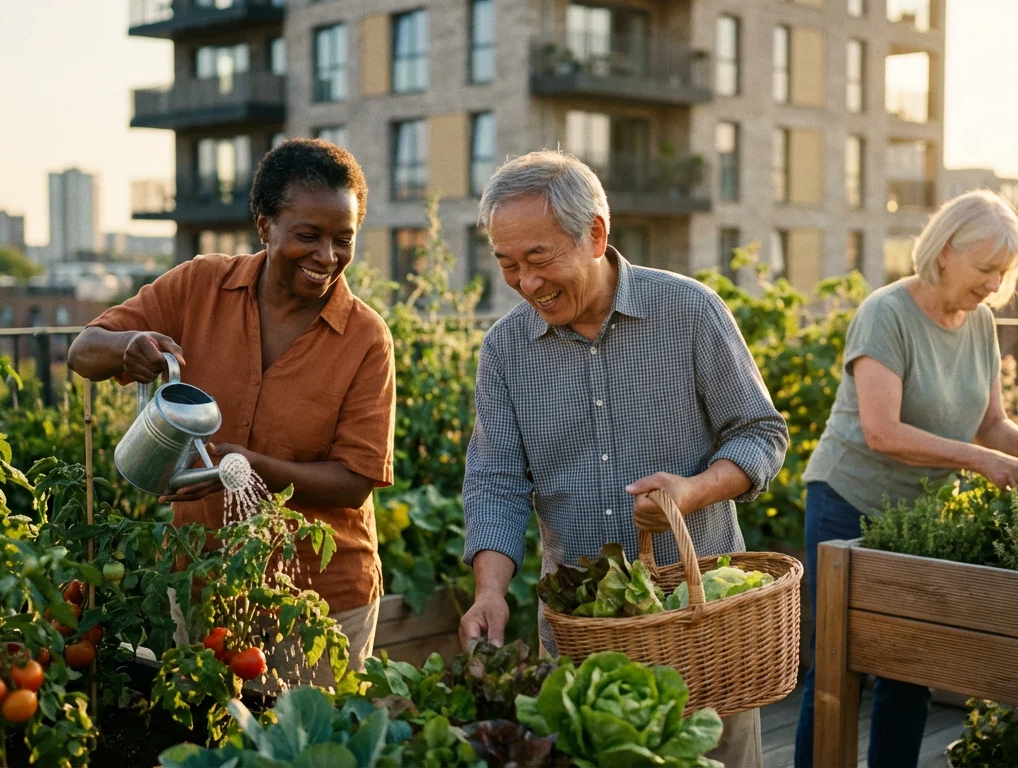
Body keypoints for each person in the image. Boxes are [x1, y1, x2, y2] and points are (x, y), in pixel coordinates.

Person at [458, 150, 789, 766]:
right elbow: (496, 483)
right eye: (507, 265)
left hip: (702, 625)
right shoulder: (504, 350)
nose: (526, 283)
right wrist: (490, 592)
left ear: (595, 235)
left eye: (539, 259)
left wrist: (693, 491)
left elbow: (761, 433)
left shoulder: (690, 311)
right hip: (585, 635)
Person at [67, 138, 395, 687]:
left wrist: (243, 467)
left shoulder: (365, 338)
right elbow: (83, 351)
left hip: (318, 603)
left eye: (344, 239)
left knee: (309, 745)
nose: (326, 257)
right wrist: (128, 347)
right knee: (212, 741)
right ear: (264, 224)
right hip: (203, 582)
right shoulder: (200, 285)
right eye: (308, 236)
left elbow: (354, 482)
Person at [792, 190, 1018, 767]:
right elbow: (882, 432)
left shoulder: (980, 323)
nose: (994, 284)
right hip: (848, 502)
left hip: (916, 519)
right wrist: (978, 461)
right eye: (985, 268)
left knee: (912, 666)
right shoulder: (886, 313)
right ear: (944, 252)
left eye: (1004, 272)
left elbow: (991, 425)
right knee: (839, 667)